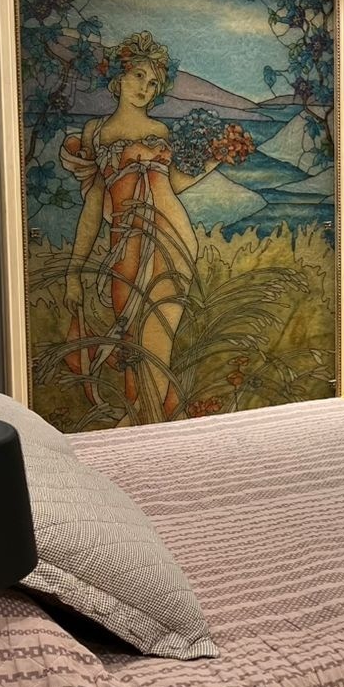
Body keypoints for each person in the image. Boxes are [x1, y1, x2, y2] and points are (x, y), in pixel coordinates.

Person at [60, 31, 216, 424]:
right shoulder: (96, 132)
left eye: (154, 83)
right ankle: (148, 430)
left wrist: (213, 163)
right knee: (133, 342)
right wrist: (74, 273)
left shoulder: (161, 133)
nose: (146, 88)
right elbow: (93, 207)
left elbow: (172, 185)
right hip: (126, 246)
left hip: (174, 239)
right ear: (119, 77)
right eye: (138, 77)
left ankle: (140, 430)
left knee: (159, 342)